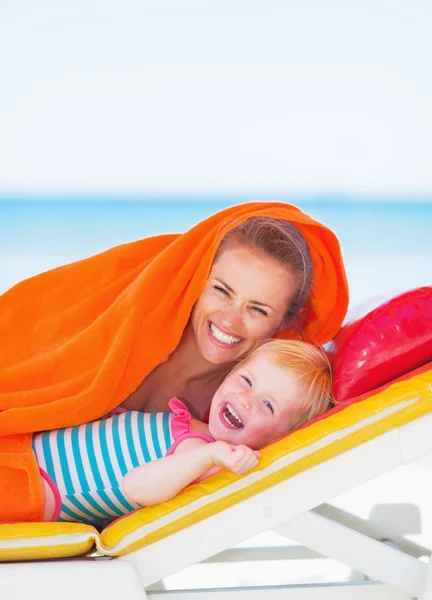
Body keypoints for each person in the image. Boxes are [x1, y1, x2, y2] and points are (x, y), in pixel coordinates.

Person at [0, 201, 348, 522]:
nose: (230, 319)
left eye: (257, 309)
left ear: (285, 323)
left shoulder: (237, 414)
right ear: (198, 279)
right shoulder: (137, 321)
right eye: (221, 291)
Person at [33, 340, 332, 523]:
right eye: (246, 380)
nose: (245, 398)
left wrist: (211, 455)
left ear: (280, 438)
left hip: (36, 487)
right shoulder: (203, 433)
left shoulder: (209, 459)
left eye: (268, 405)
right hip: (29, 451)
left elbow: (136, 487)